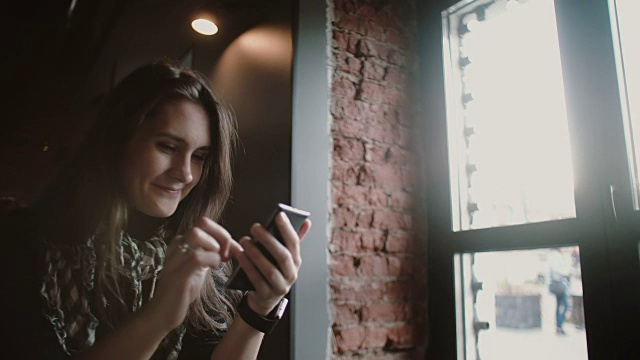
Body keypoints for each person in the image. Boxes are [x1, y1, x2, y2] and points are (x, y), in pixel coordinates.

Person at [2, 58, 311, 359]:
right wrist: (162, 313)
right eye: (167, 147)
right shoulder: (23, 243)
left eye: (200, 156)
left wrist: (259, 309)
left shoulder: (202, 260)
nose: (185, 173)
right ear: (117, 141)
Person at [548, 248, 571, 335]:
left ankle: (558, 327)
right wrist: (565, 272)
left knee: (558, 306)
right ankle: (559, 325)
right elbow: (557, 269)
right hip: (560, 284)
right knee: (566, 306)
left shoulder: (552, 255)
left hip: (556, 284)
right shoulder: (557, 256)